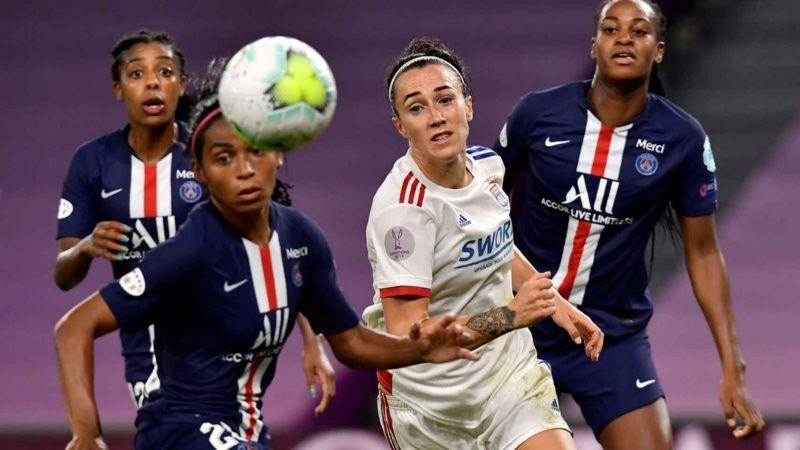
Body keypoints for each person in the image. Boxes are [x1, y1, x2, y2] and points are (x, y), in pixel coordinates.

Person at [54, 58, 478, 450]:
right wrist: (87, 433)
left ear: (277, 154)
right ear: (200, 172)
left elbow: (350, 341)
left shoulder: (301, 237)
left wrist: (418, 349)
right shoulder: (192, 250)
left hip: (249, 434)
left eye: (255, 151)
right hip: (179, 431)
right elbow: (73, 328)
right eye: (223, 158)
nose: (243, 170)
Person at [493, 1, 765, 448]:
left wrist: (733, 367)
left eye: (638, 31)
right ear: (594, 45)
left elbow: (703, 252)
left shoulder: (682, 139)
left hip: (613, 336)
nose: (623, 38)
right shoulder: (537, 113)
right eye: (611, 29)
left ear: (658, 50)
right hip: (521, 326)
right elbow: (478, 208)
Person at [54, 31, 335, 413]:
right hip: (148, 354)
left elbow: (275, 244)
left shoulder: (212, 155)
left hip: (224, 342)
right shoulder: (92, 163)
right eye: (136, 74)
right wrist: (86, 248)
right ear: (118, 89)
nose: (152, 82)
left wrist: (312, 340)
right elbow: (64, 275)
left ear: (182, 84)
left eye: (165, 72)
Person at [362, 37, 604, 450]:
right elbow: (409, 337)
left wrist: (555, 304)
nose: (436, 117)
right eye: (417, 108)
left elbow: (496, 243)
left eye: (445, 100)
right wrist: (511, 315)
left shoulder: (489, 166)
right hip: (428, 409)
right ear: (400, 126)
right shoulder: (403, 211)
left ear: (468, 106)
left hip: (508, 380)